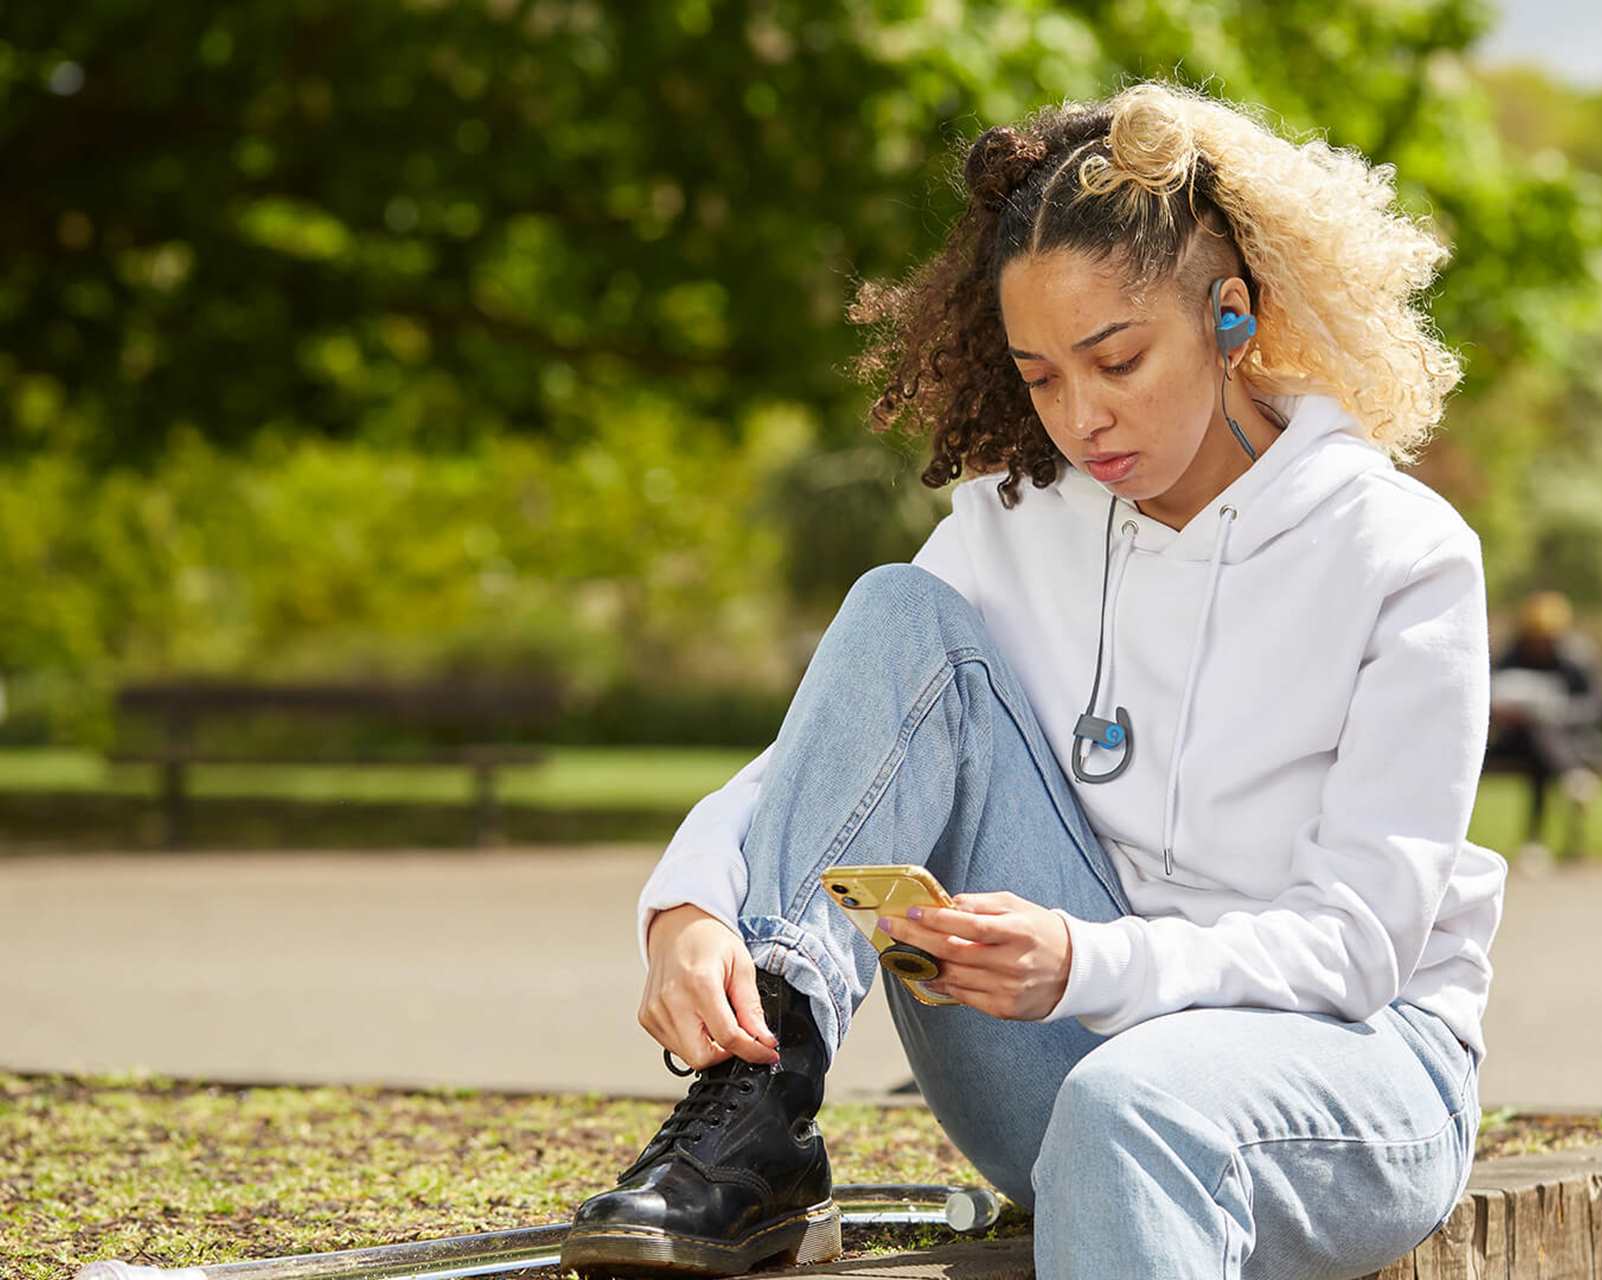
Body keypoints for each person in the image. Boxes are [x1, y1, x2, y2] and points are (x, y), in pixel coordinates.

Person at [559, 78, 1507, 1280]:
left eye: (1117, 360)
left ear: (1228, 318)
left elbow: (1361, 943)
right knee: (898, 611)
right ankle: (758, 1111)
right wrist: (689, 899)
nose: (1081, 420)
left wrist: (1088, 961)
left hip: (1348, 1074)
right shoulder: (1018, 518)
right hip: (1057, 1050)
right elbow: (852, 750)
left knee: (1138, 1104)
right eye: (1042, 376)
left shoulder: (1401, 553)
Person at [1485, 590, 1602, 871]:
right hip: (1521, 741)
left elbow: (1599, 704)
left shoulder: (1576, 656)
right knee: (1536, 737)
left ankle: (1534, 842)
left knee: (1541, 739)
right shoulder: (1515, 653)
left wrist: (1559, 713)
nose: (1539, 643)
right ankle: (1572, 778)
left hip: (1572, 741)